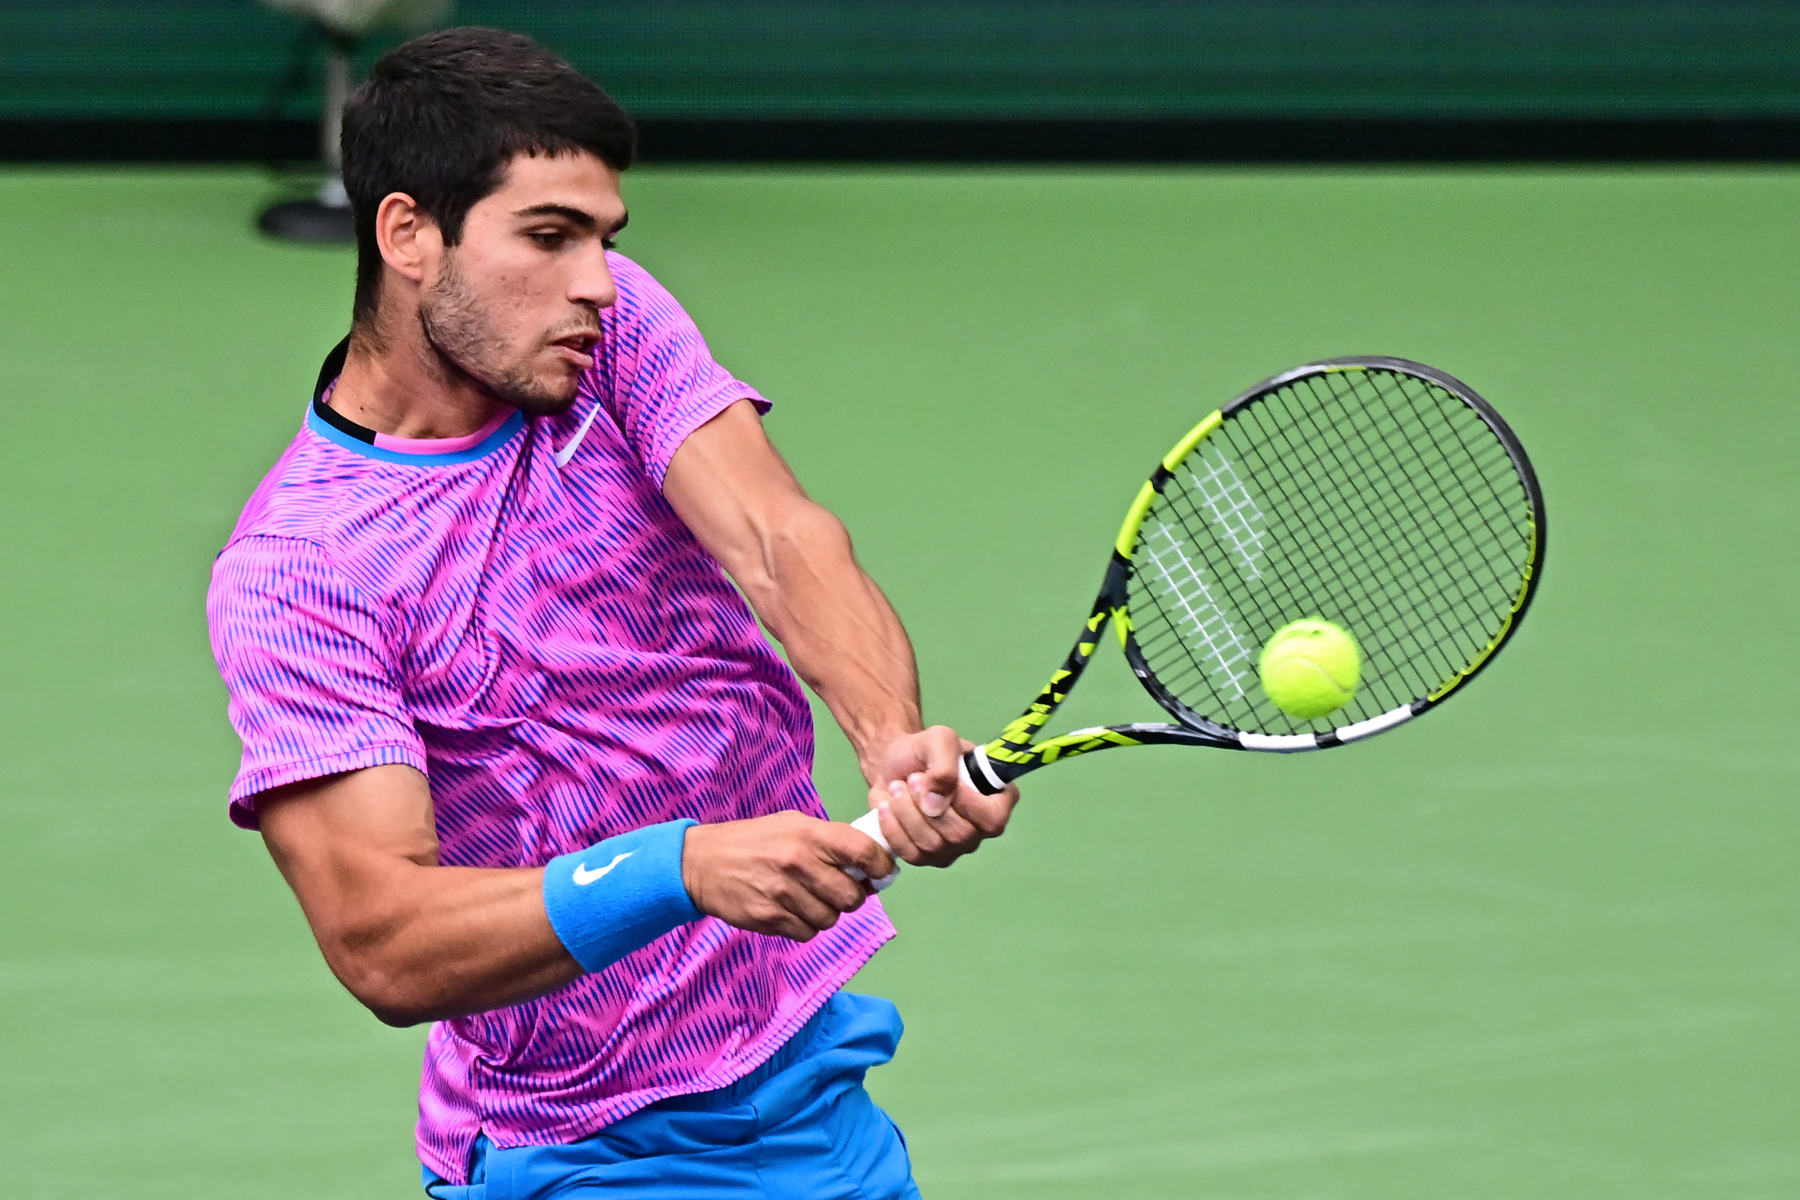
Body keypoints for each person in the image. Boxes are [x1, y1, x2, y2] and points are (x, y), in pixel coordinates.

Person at [206, 26, 1016, 1199]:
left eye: (602, 236)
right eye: (547, 236)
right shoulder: (300, 569)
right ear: (406, 235)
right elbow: (379, 937)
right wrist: (677, 869)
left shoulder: (604, 328)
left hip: (805, 1077)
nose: (593, 276)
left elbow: (777, 538)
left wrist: (890, 740)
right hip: (584, 1147)